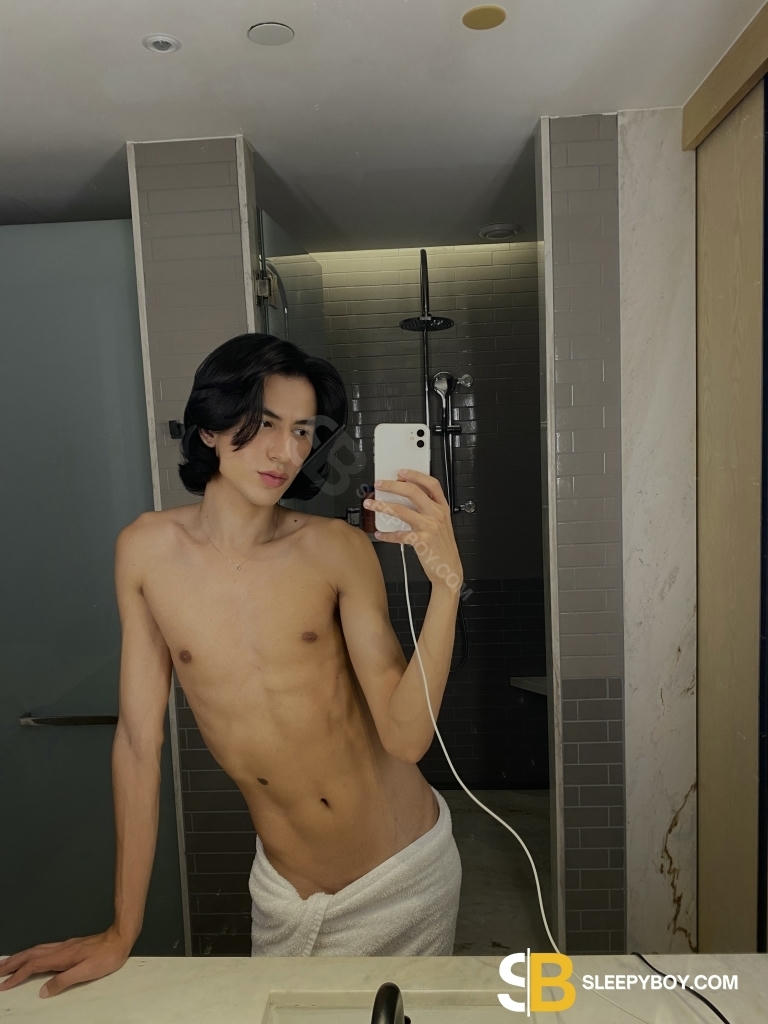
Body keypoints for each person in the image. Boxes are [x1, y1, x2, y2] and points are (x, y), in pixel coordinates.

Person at [0, 333, 464, 999]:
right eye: (265, 424)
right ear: (211, 427)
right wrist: (122, 929)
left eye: (302, 430)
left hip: (399, 874)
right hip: (284, 891)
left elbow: (407, 738)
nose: (287, 452)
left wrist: (446, 586)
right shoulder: (145, 551)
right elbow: (138, 743)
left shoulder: (337, 550)